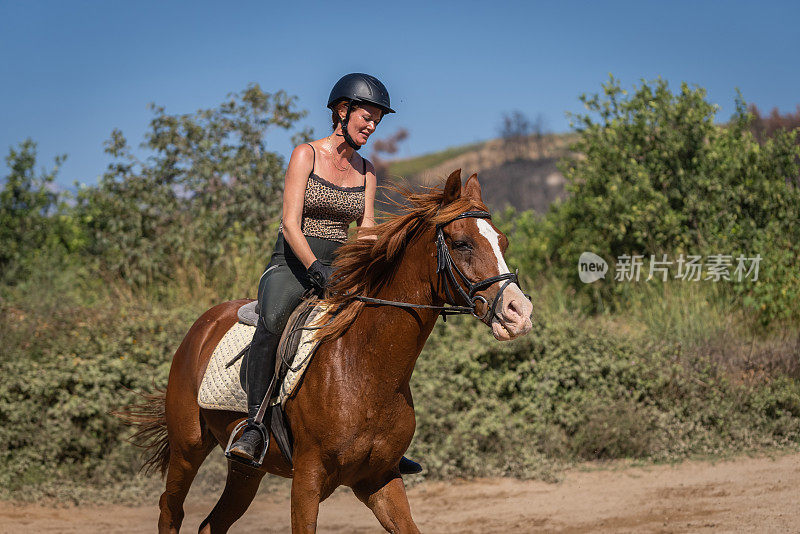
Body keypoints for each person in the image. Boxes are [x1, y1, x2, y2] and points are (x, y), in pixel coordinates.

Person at [228, 73, 422, 475]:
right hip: (293, 263)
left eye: (376, 121)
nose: (371, 126)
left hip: (342, 266)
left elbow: (365, 226)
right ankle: (254, 426)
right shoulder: (306, 155)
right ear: (342, 111)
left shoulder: (367, 171)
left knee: (379, 323)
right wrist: (315, 269)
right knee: (274, 319)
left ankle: (379, 438)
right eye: (366, 118)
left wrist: (372, 264)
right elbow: (289, 223)